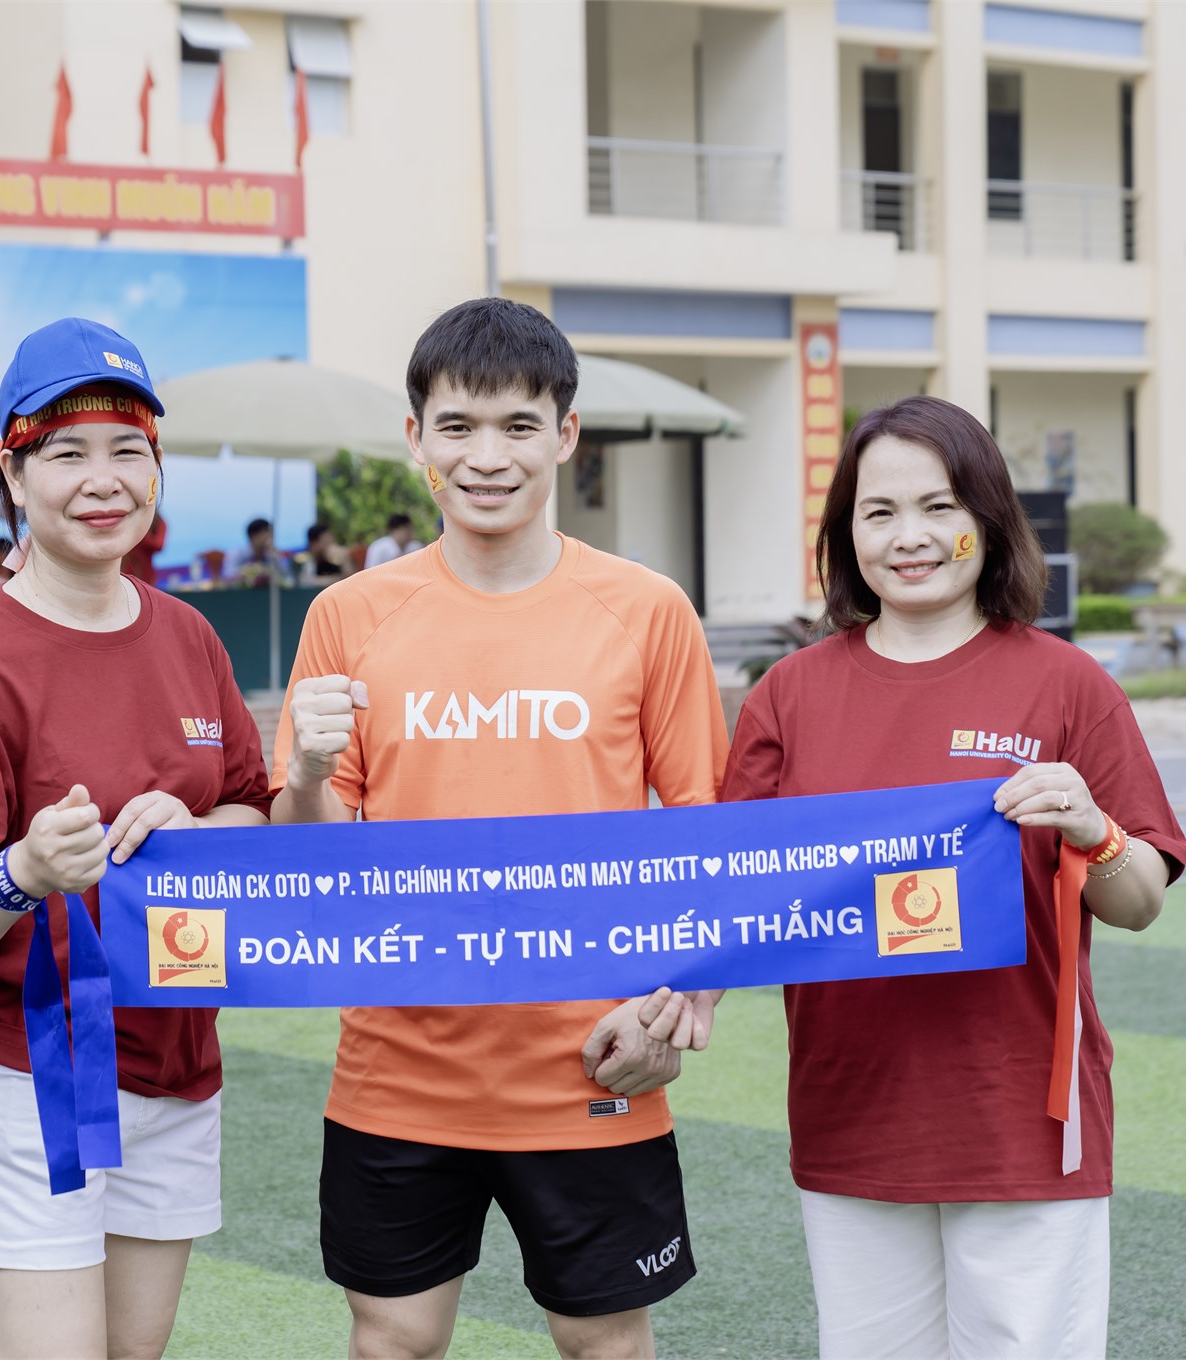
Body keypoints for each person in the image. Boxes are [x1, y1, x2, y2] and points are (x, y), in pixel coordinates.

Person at [274, 298, 727, 1359]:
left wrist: (680, 1004)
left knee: (604, 1339)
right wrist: (304, 771)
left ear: (566, 435)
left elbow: (708, 833)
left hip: (594, 1062)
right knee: (394, 1338)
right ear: (417, 438)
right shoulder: (349, 614)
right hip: (398, 1067)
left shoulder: (647, 608)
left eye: (519, 425)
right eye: (459, 426)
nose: (488, 457)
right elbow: (308, 858)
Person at [722, 396, 1185, 1360]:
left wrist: (1093, 829)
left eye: (939, 507)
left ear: (988, 517)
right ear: (846, 535)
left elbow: (1139, 899)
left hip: (1022, 1116)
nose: (911, 537)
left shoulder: (1066, 683)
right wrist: (669, 993)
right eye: (879, 512)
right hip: (851, 1111)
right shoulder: (789, 695)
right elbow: (737, 897)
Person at [0, 317, 273, 1360]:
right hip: (30, 1078)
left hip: (177, 1062)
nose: (103, 481)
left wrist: (197, 828)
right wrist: (21, 871)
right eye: (65, 454)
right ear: (12, 476)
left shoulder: (188, 636)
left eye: (127, 451)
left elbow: (253, 809)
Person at [224, 516, 289, 585]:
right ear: (252, 536)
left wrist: (275, 555)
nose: (270, 538)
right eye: (266, 533)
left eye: (271, 534)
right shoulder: (236, 554)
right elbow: (229, 577)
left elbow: (287, 577)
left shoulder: (271, 556)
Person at [296, 520, 354, 585]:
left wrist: (345, 559)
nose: (329, 545)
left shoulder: (335, 560)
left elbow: (350, 580)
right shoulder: (302, 560)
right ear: (313, 544)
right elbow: (304, 581)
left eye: (331, 540)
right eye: (325, 541)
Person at [124, 509, 169, 586]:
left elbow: (158, 545)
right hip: (123, 572)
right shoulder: (125, 518)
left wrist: (141, 530)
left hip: (144, 575)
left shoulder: (158, 521)